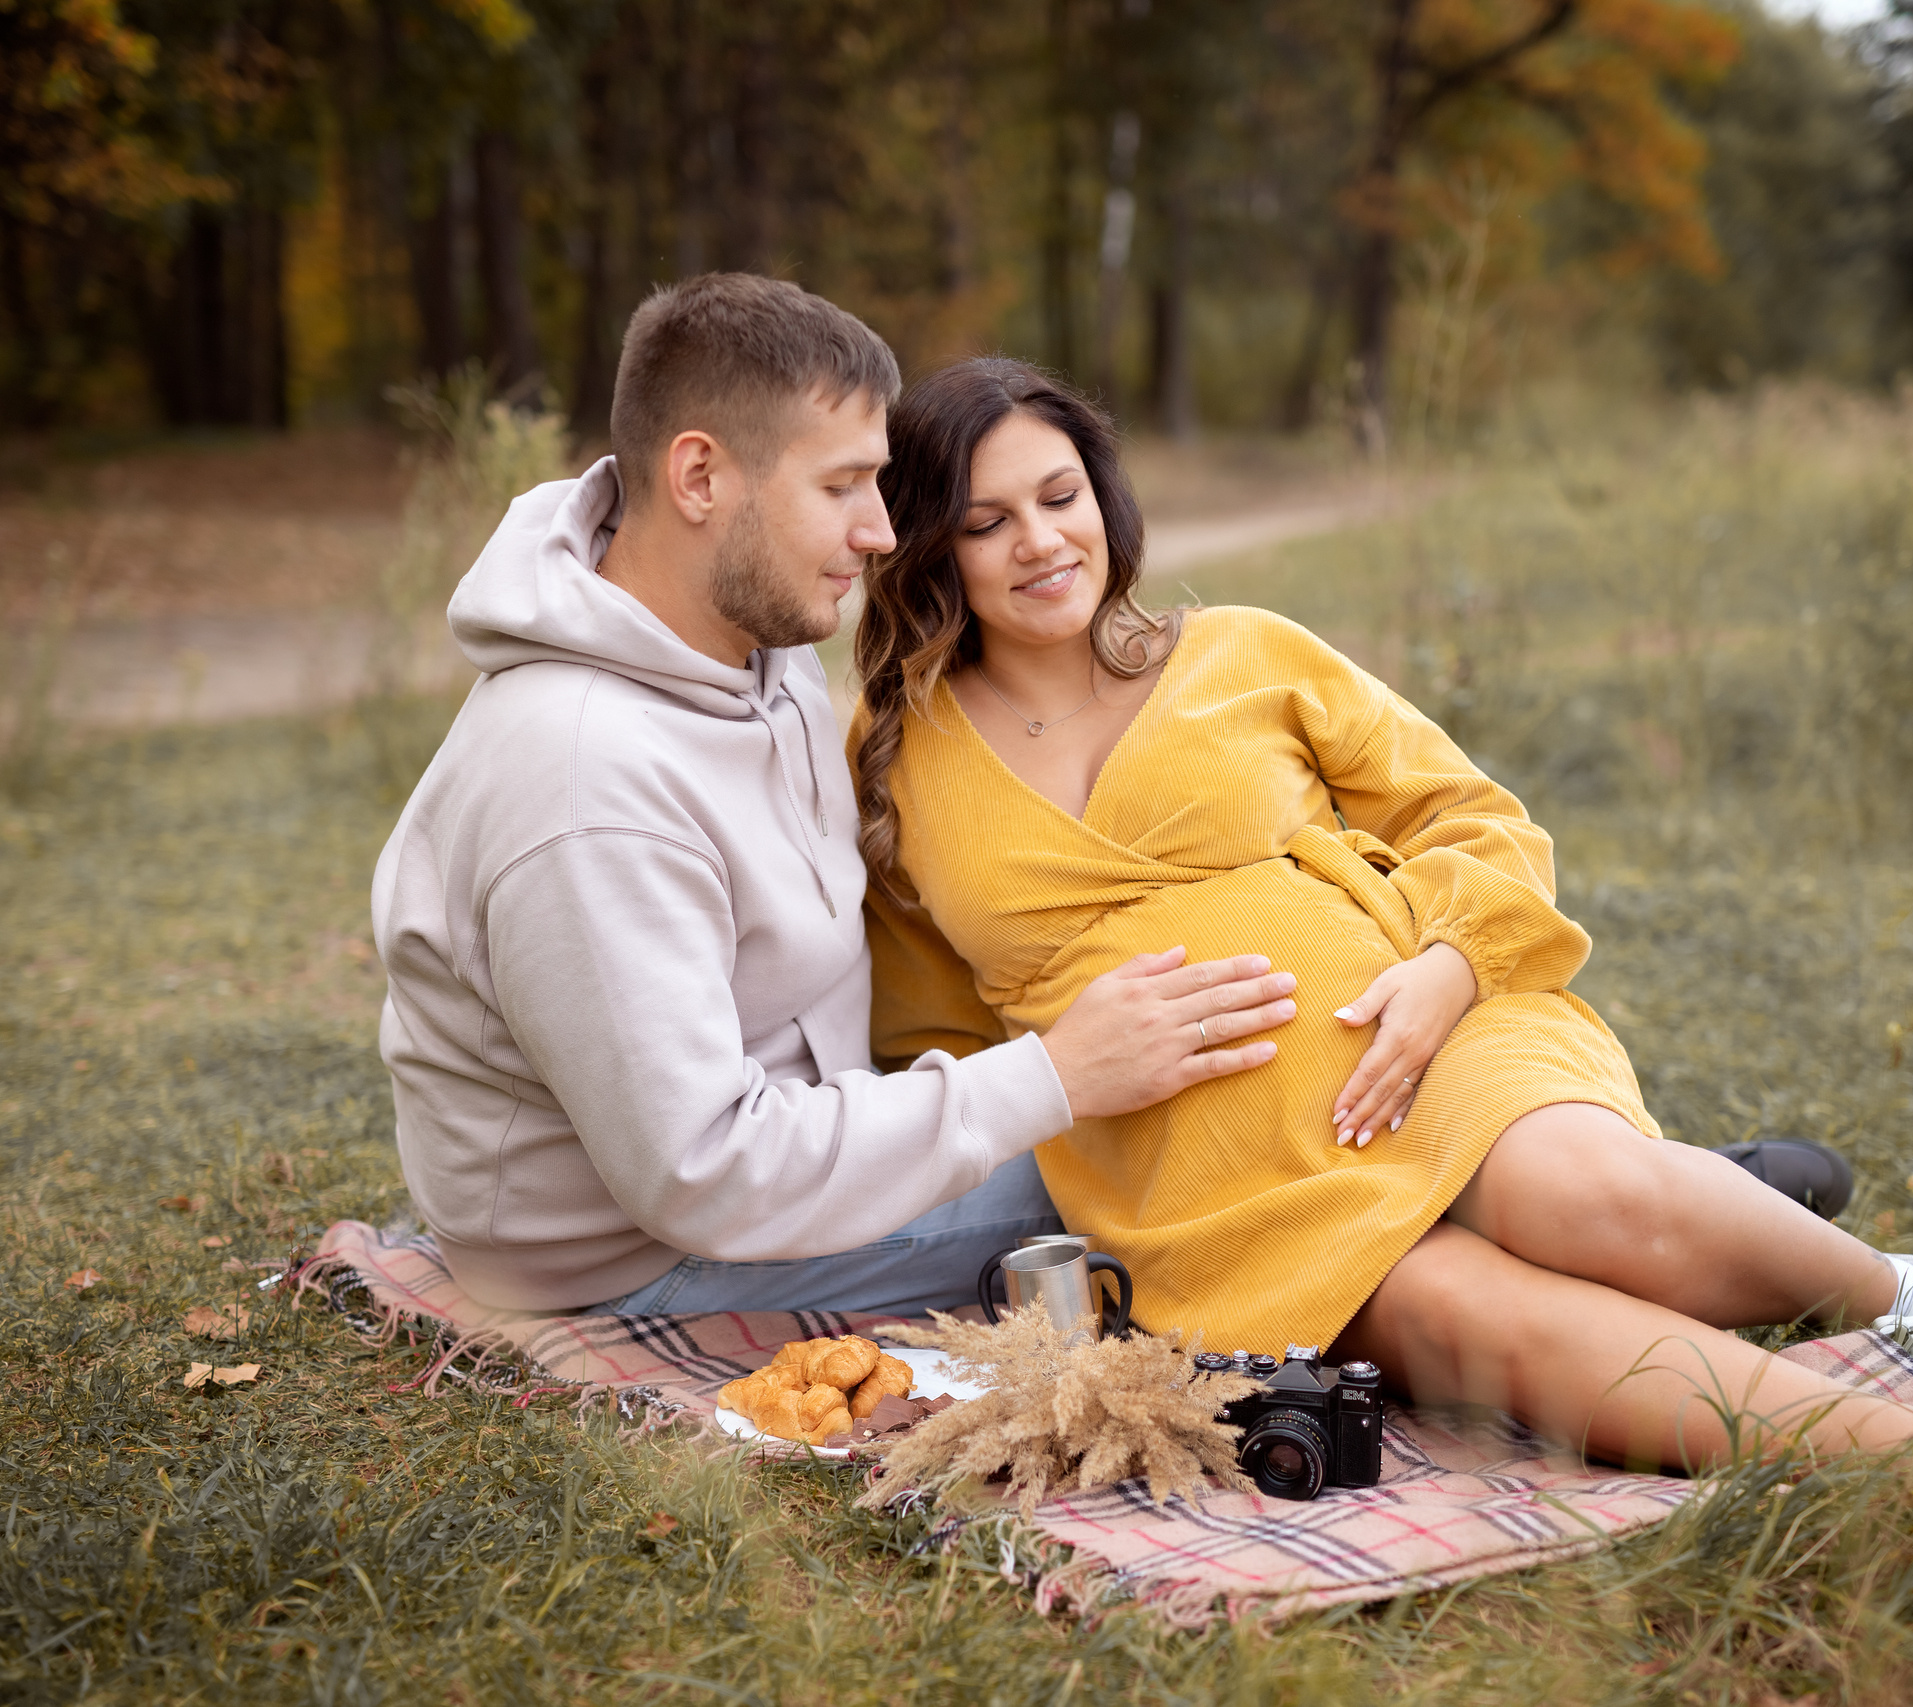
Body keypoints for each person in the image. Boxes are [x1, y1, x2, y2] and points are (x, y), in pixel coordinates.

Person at [852, 356, 1913, 1468]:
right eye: (985, 520)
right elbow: (932, 1040)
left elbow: (1475, 816)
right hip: (1205, 1173)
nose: (1039, 541)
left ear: (1104, 495)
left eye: (1060, 495)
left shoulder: (1243, 649)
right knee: (1485, 1321)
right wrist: (1063, 1079)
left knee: (1584, 1195)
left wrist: (1451, 968)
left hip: (1417, 1032)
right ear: (927, 545)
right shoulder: (897, 755)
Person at [371, 276, 1297, 1319]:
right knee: (1209, 1144)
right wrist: (1054, 1077)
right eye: (843, 486)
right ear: (698, 477)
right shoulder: (586, 782)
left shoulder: (753, 652)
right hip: (648, 1255)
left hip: (804, 1150)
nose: (882, 533)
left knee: (1220, 1107)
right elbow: (703, 1174)